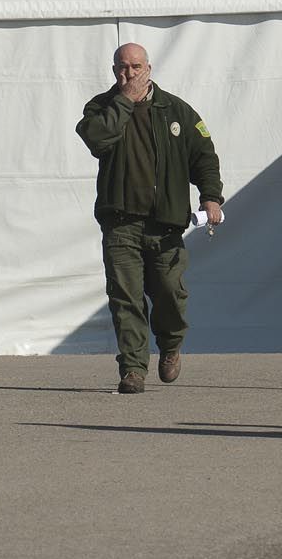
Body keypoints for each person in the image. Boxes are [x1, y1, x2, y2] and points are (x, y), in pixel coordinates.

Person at [75, 43, 224, 394]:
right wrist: (124, 100)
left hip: (166, 223)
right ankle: (133, 369)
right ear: (114, 71)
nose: (131, 74)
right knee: (125, 297)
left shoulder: (176, 110)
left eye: (137, 67)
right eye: (123, 68)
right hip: (121, 223)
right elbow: (97, 139)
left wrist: (211, 197)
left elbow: (204, 157)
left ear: (150, 68)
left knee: (170, 294)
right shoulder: (101, 107)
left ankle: (170, 344)